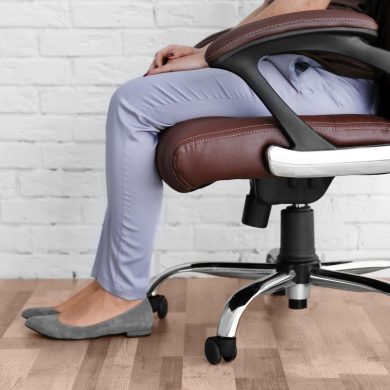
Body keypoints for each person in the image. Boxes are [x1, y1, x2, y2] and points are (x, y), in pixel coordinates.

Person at [22, 0, 378, 339]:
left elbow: (300, 7)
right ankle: (107, 284)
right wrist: (209, 52)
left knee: (133, 104)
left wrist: (211, 55)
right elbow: (278, 9)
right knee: (139, 98)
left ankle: (120, 294)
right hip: (304, 73)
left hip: (331, 83)